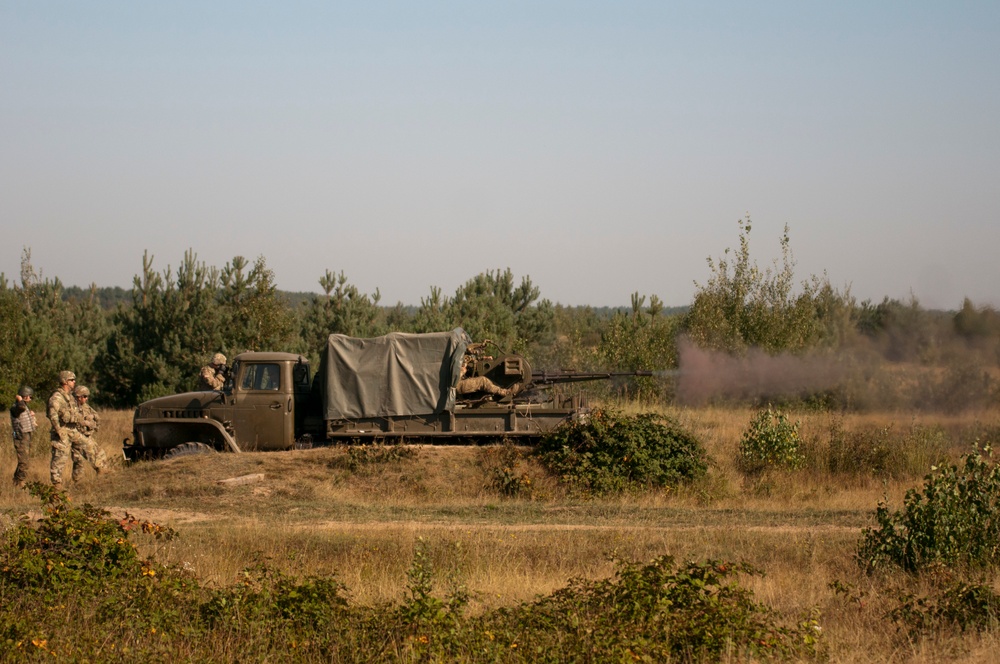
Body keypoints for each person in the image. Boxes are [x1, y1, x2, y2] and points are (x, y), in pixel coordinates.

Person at [69, 385, 109, 482]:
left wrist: (92, 423)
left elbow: (96, 418)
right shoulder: (71, 407)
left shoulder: (86, 407)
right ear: (79, 397)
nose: (87, 399)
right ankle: (98, 474)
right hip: (77, 436)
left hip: (85, 435)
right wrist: (85, 422)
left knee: (81, 460)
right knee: (86, 459)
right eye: (85, 396)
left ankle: (82, 481)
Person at [47, 370, 78, 489]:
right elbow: (53, 415)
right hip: (61, 431)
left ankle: (101, 470)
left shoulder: (70, 397)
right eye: (71, 380)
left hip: (72, 430)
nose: (74, 382)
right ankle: (56, 485)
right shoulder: (57, 397)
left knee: (87, 448)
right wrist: (58, 430)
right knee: (60, 457)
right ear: (65, 381)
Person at [9, 385, 37, 488]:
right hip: (21, 437)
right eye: (29, 396)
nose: (30, 398)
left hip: (26, 436)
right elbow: (20, 408)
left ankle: (16, 481)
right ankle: (20, 482)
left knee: (24, 460)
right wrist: (19, 399)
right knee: (24, 462)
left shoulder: (23, 406)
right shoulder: (16, 407)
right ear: (24, 396)